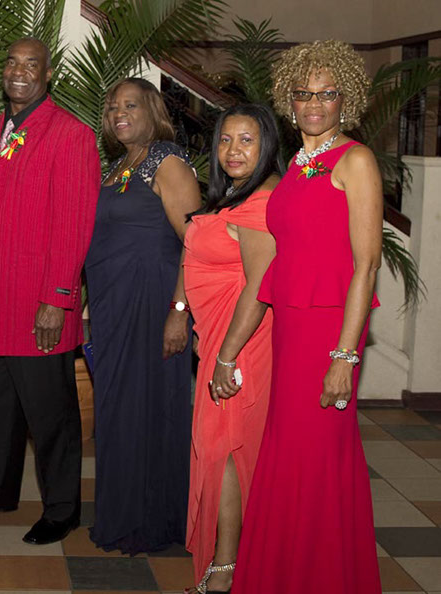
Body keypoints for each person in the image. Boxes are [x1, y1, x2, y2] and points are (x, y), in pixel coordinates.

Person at [233, 40, 382, 593]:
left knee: (317, 459)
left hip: (328, 333)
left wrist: (344, 356)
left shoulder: (355, 160)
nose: (314, 104)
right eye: (303, 94)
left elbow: (367, 265)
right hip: (291, 329)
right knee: (289, 457)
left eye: (326, 94)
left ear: (347, 99)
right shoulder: (298, 164)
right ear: (289, 101)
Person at [0, 37, 100, 546]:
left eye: (32, 65)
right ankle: (0, 489)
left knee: (51, 416)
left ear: (47, 75)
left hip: (41, 304)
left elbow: (74, 224)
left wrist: (59, 297)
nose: (19, 71)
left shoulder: (71, 135)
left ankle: (62, 508)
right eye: (12, 62)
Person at [84, 77, 200, 554]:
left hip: (153, 305)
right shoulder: (117, 166)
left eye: (130, 105)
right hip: (112, 308)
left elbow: (197, 242)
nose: (119, 113)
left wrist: (179, 311)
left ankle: (153, 521)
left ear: (152, 111)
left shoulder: (167, 161)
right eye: (113, 107)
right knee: (116, 413)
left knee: (149, 411)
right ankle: (122, 514)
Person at [181, 104, 282, 593]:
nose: (233, 150)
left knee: (226, 451)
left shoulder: (261, 202)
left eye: (246, 140)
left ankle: (225, 568)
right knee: (218, 447)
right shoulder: (234, 197)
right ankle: (231, 560)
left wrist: (226, 355)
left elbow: (259, 288)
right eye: (225, 140)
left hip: (240, 345)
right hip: (218, 338)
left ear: (267, 145)